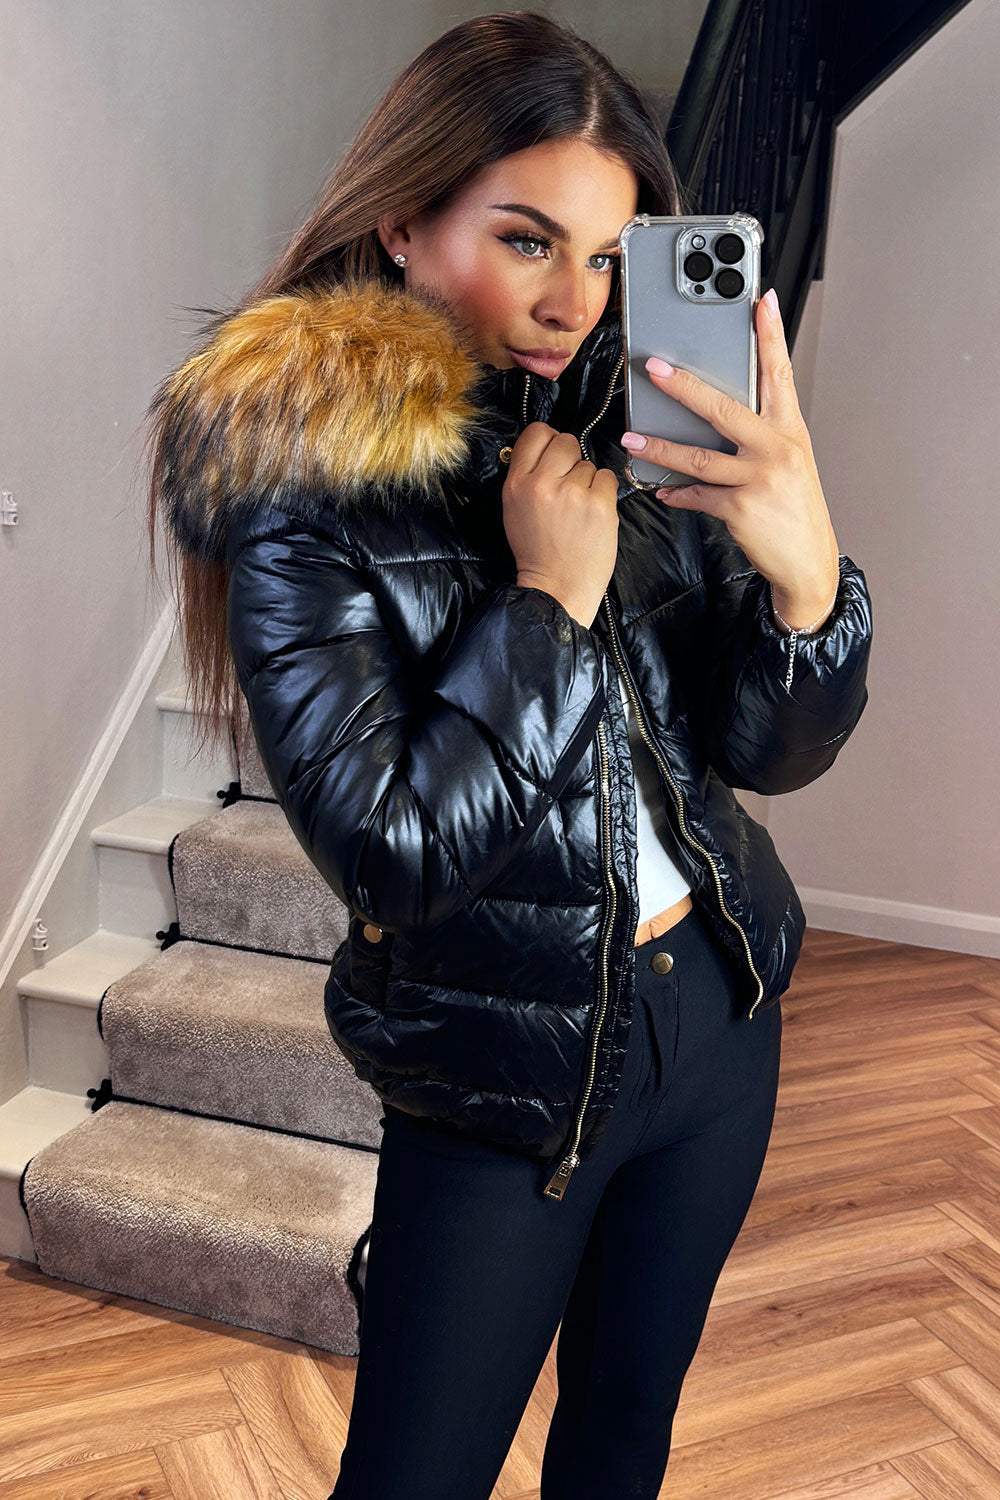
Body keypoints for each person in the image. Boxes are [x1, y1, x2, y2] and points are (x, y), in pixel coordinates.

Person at [142, 11, 873, 1498]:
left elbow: (765, 753)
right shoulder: (310, 485)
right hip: (502, 1077)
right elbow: (393, 853)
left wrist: (806, 580)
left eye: (605, 256)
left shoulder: (640, 435)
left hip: (720, 1016)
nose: (571, 300)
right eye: (527, 240)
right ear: (405, 223)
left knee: (623, 1441)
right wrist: (545, 602)